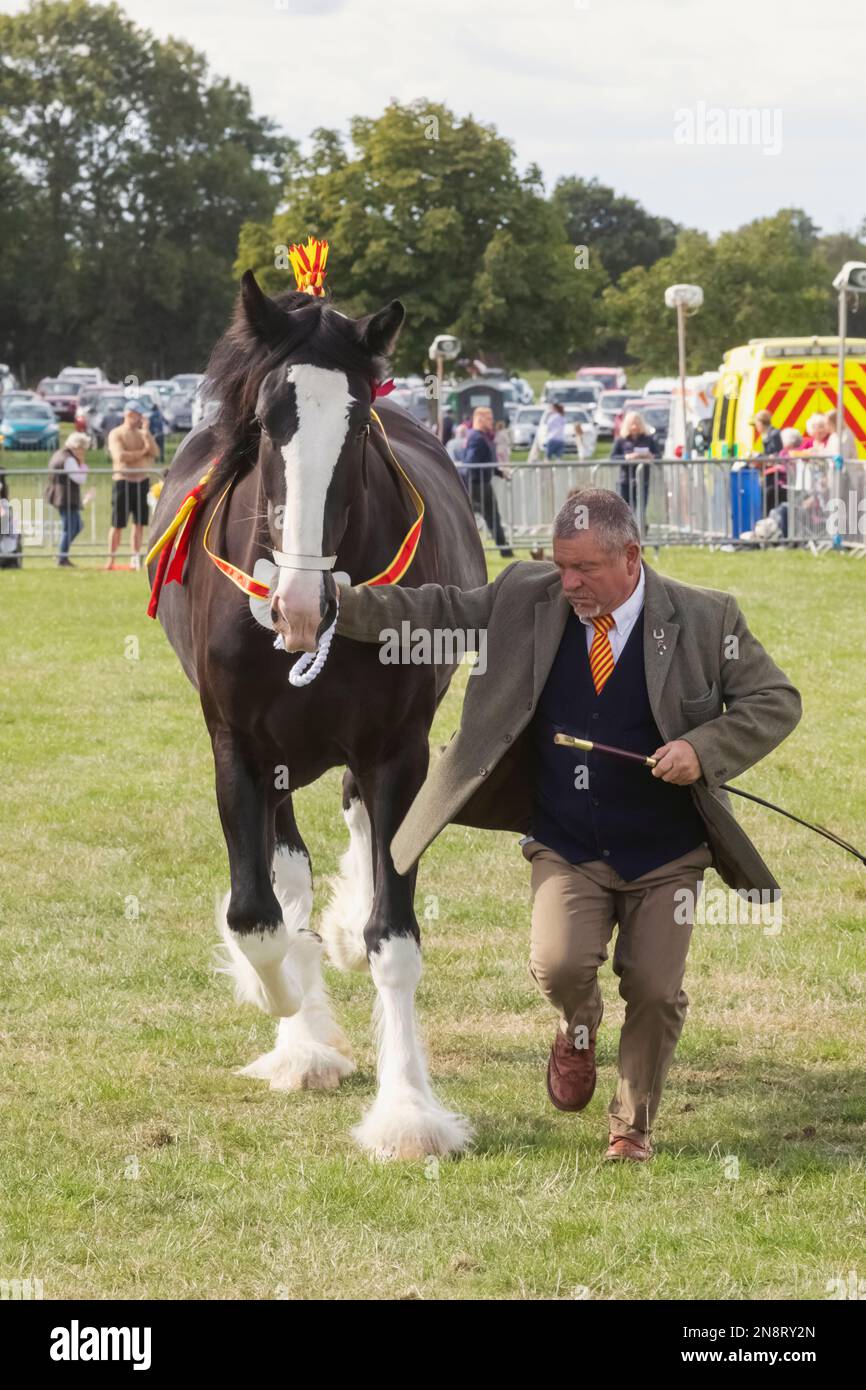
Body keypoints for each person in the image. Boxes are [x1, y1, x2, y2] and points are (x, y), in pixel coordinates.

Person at [334, 489, 801, 1161]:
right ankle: (578, 1025)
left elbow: (776, 699)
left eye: (584, 569)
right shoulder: (527, 597)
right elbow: (437, 611)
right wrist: (338, 606)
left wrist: (704, 750)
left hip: (667, 851)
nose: (570, 583)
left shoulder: (705, 617)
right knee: (558, 965)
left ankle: (630, 1129)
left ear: (632, 556)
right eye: (560, 566)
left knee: (654, 987)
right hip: (566, 842)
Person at [106, 401, 158, 570]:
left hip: (142, 482)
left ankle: (135, 557)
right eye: (134, 415)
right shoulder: (116, 433)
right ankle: (111, 559)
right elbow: (120, 456)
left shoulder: (143, 434)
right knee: (117, 523)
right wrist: (142, 453)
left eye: (138, 415)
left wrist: (146, 433)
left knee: (139, 523)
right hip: (123, 481)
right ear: (127, 415)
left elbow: (155, 452)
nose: (136, 418)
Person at [463, 406, 514, 558]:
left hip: (481, 484)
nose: (492, 422)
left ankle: (505, 550)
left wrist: (498, 472)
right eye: (489, 418)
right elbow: (471, 463)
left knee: (489, 518)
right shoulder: (477, 438)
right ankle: (505, 551)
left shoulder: (481, 437)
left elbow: (485, 461)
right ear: (479, 419)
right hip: (478, 485)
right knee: (490, 518)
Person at [45, 430, 92, 567]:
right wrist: (83, 464)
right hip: (65, 497)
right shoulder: (69, 459)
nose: (83, 452)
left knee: (76, 526)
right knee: (70, 527)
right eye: (82, 449)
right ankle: (62, 557)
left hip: (63, 496)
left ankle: (62, 552)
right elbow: (80, 478)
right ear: (77, 447)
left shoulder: (60, 454)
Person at [611, 410, 661, 513]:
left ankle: (641, 528)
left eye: (637, 423)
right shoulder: (621, 440)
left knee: (641, 511)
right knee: (625, 512)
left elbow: (658, 456)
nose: (635, 426)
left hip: (643, 480)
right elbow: (613, 457)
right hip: (625, 481)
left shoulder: (649, 439)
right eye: (632, 423)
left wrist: (650, 456)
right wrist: (627, 457)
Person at [149, 398, 166, 464]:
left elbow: (150, 425)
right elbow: (166, 422)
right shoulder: (160, 415)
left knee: (155, 447)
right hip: (161, 433)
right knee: (161, 447)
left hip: (155, 434)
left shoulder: (151, 416)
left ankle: (156, 460)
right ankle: (162, 459)